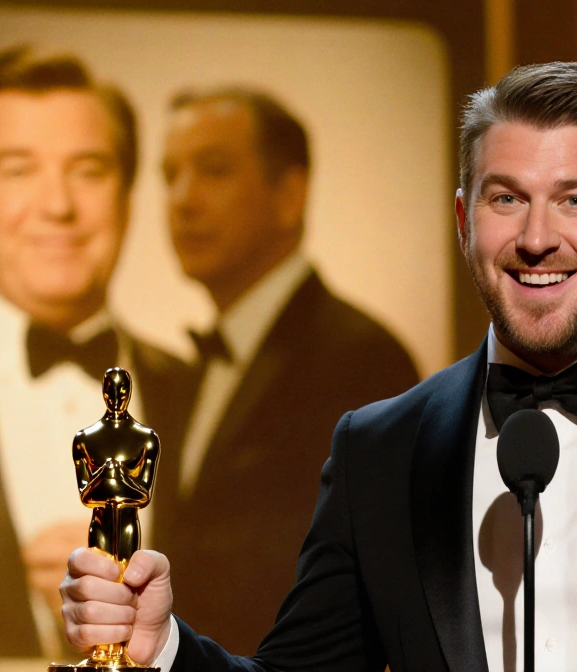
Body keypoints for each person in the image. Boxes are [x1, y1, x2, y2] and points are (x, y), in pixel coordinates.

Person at [59, 62, 577, 671]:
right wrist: (162, 649)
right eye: (507, 198)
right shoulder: (377, 450)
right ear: (465, 219)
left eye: (575, 198)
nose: (538, 236)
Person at [0, 45, 187, 663]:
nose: (58, 206)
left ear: (129, 198)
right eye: (18, 169)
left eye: (89, 170)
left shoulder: (205, 391)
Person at [148, 87, 420, 653]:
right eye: (169, 175)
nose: (182, 199)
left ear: (290, 194)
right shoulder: (185, 372)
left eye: (213, 171)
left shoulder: (361, 357)